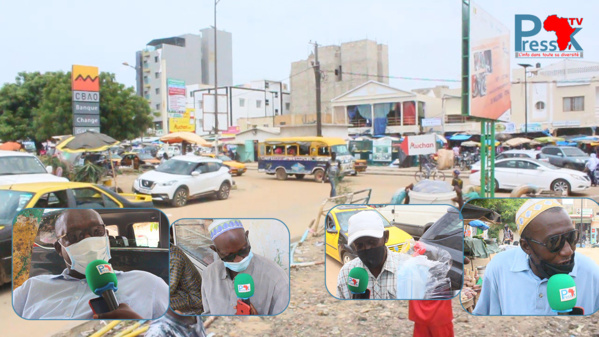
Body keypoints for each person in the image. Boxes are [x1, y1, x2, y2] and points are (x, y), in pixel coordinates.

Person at [13, 209, 169, 319]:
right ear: (59, 249)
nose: (89, 241)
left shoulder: (149, 284)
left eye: (97, 232)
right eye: (75, 236)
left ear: (107, 237)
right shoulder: (31, 289)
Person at [473, 199, 599, 315]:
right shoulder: (499, 268)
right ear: (526, 246)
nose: (568, 251)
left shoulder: (591, 273)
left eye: (571, 238)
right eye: (554, 242)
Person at [201, 220, 289, 315]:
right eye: (229, 256)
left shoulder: (276, 278)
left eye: (243, 251)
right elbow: (207, 314)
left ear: (247, 237)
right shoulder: (208, 275)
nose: (238, 260)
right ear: (215, 250)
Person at [336, 210, 406, 299]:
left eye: (372, 242)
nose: (367, 248)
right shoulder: (346, 273)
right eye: (359, 245)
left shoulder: (407, 268)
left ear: (385, 237)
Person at [170, 244, 203, 315]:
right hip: (182, 292)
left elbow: (169, 289)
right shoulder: (172, 251)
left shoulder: (174, 257)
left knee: (160, 302)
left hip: (194, 300)